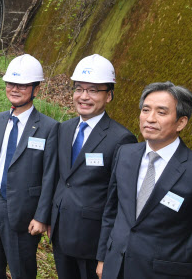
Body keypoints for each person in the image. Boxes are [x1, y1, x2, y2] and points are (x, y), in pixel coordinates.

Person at [96, 82, 192, 279]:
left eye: (161, 112)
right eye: (146, 110)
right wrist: (104, 257)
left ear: (181, 122)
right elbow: (112, 210)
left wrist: (186, 269)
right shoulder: (125, 154)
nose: (150, 119)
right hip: (116, 268)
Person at [50, 54, 137, 279]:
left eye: (93, 90)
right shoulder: (64, 129)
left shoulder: (122, 139)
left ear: (109, 96)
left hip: (92, 241)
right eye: (79, 89)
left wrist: (105, 253)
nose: (84, 96)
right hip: (61, 233)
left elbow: (117, 201)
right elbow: (62, 179)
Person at [0, 54, 58, 279]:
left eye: (22, 85)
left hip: (25, 212)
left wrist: (42, 216)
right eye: (11, 84)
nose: (15, 89)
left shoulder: (48, 128)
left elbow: (50, 175)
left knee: (22, 270)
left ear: (36, 89)